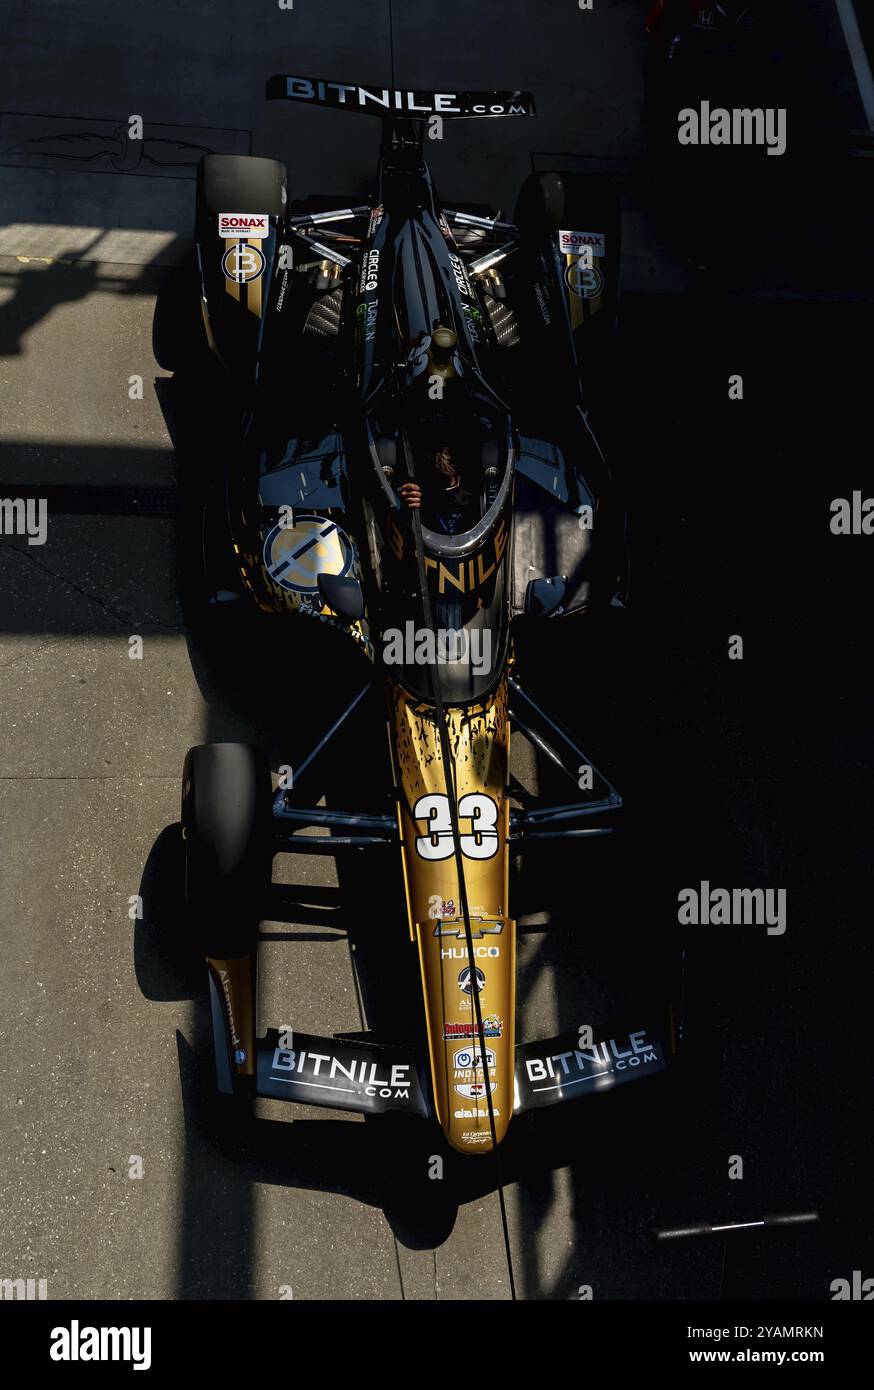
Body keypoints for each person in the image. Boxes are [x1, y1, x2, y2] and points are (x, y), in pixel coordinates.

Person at [398, 442, 480, 536]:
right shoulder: (421, 495)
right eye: (441, 486)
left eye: (451, 487)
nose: (447, 493)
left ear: (458, 475)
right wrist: (405, 505)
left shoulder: (474, 495)